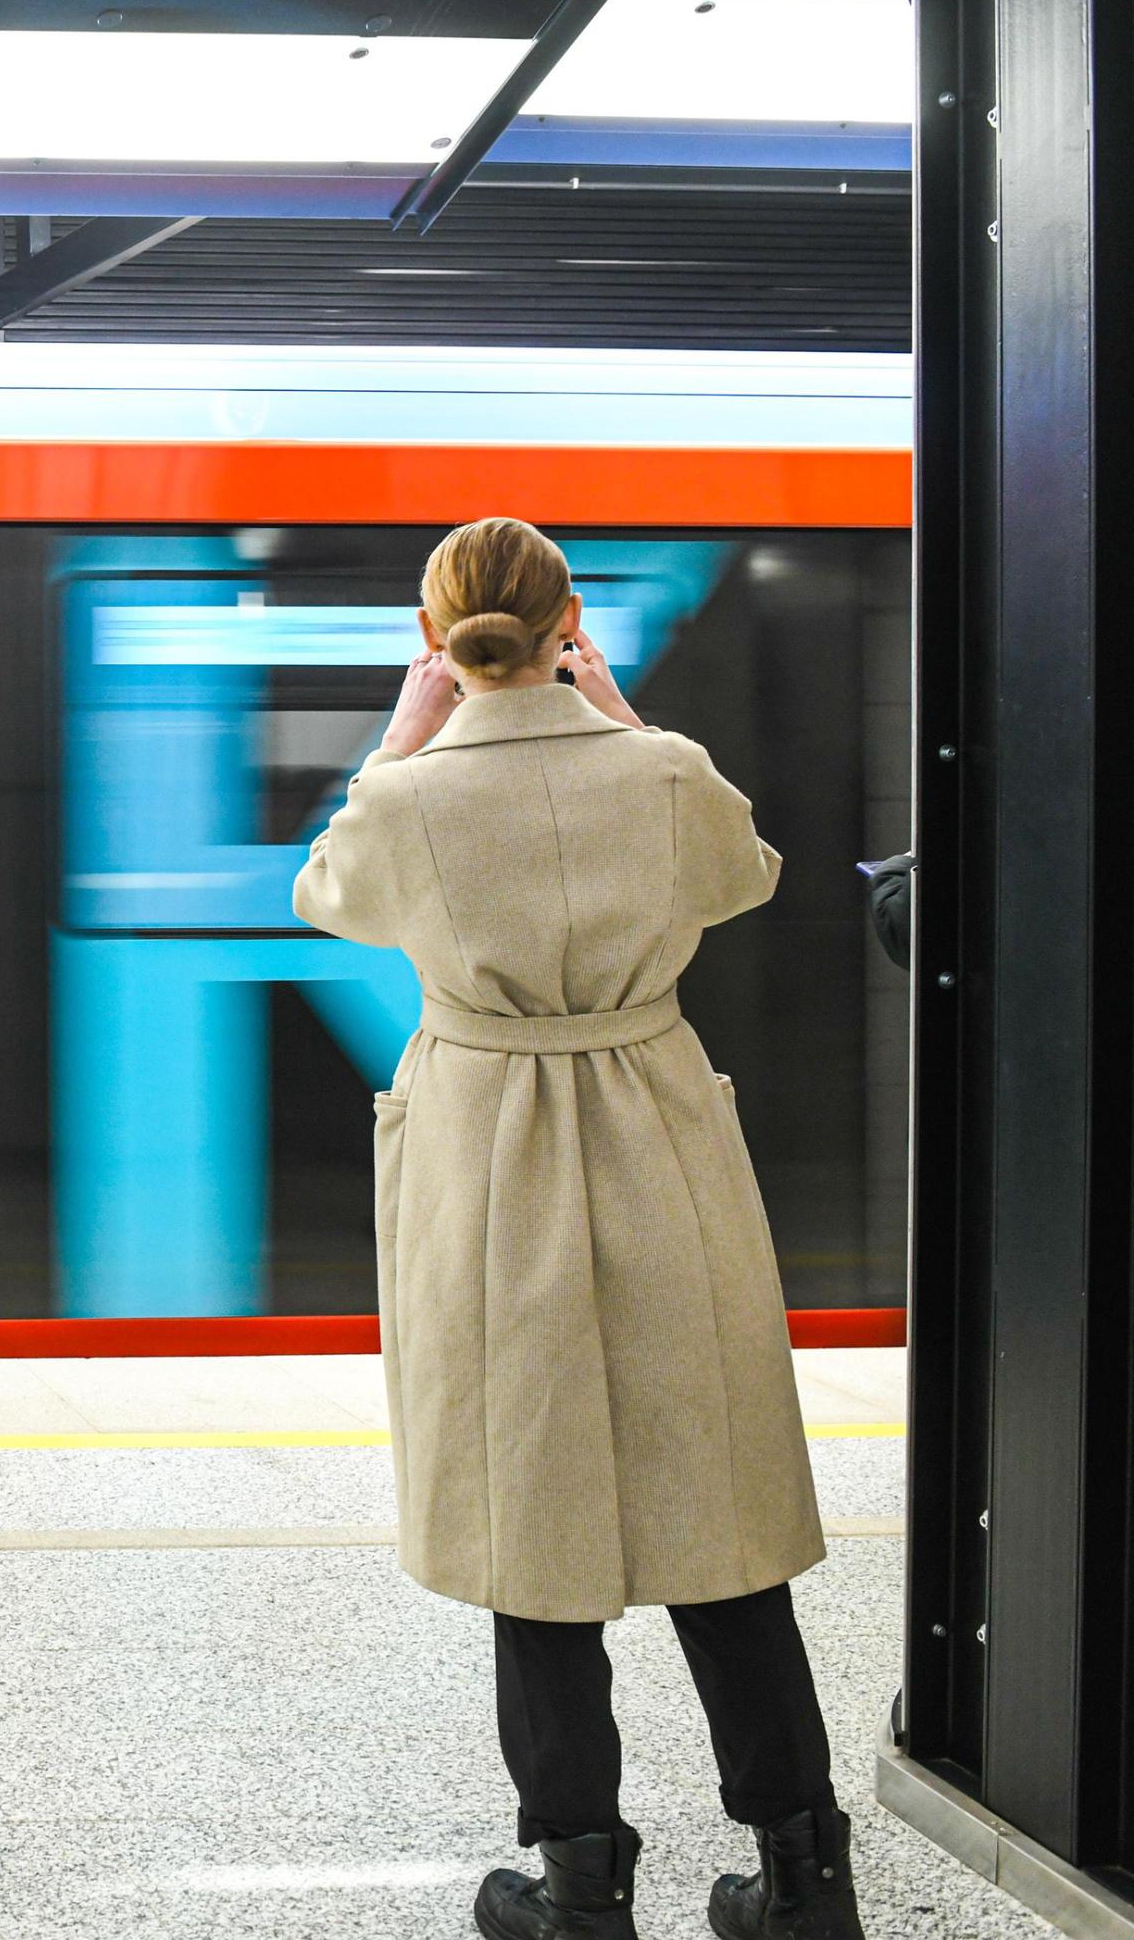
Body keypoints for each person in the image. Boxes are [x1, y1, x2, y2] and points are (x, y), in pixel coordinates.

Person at [294, 517, 865, 1940]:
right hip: (655, 1129)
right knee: (717, 1516)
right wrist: (623, 712)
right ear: (570, 626)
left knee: (528, 1515)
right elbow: (748, 874)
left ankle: (578, 1887)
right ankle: (802, 1879)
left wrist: (400, 735)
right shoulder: (661, 773)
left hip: (489, 1151)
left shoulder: (413, 799)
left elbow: (327, 896)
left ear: (440, 644)